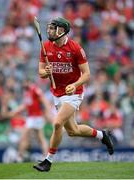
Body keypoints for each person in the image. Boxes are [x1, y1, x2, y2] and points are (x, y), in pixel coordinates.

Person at [33, 17, 114, 172]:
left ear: (61, 31)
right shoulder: (45, 47)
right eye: (49, 28)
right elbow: (41, 72)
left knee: (57, 124)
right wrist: (46, 72)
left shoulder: (75, 48)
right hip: (57, 93)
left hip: (74, 93)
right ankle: (102, 135)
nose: (49, 31)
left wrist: (75, 84)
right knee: (73, 131)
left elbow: (87, 74)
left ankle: (48, 161)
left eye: (52, 28)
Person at [10, 80, 52, 162]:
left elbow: (43, 99)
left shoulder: (35, 89)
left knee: (39, 138)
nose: (23, 84)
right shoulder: (26, 92)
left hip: (37, 117)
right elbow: (25, 105)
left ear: (29, 82)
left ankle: (45, 156)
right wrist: (15, 111)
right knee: (26, 136)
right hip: (31, 117)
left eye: (25, 83)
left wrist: (48, 111)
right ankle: (20, 156)